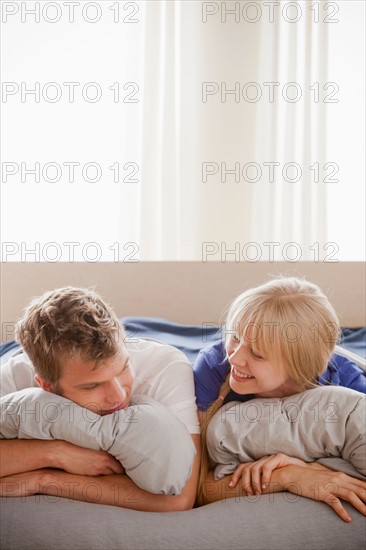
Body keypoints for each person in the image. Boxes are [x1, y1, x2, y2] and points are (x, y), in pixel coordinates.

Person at [0, 287, 201, 511]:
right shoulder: (16, 376)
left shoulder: (166, 367)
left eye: (123, 368)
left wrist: (46, 480)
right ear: (45, 385)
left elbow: (179, 498)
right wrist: (56, 454)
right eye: (92, 386)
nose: (118, 396)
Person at [194, 277, 366, 521]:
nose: (233, 358)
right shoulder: (213, 367)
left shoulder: (346, 386)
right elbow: (199, 488)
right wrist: (290, 475)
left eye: (256, 353)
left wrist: (303, 465)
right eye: (234, 336)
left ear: (298, 366)